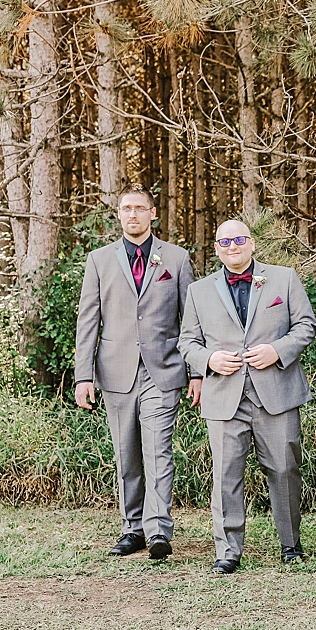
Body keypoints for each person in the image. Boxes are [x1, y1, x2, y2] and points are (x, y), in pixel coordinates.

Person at [178, 220, 316, 574]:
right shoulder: (199, 291)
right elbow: (187, 342)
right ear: (217, 249)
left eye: (239, 239)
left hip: (276, 393)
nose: (232, 246)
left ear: (252, 244)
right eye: (224, 241)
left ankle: (290, 544)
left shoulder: (283, 279)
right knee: (225, 475)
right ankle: (228, 551)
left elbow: (306, 326)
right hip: (225, 397)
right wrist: (209, 359)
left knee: (285, 469)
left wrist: (278, 349)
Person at [73, 187, 198, 561]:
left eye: (140, 208)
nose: (133, 215)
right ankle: (133, 528)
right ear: (118, 214)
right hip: (116, 373)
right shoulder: (99, 260)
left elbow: (190, 321)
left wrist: (195, 372)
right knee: (127, 455)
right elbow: (88, 321)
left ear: (152, 213)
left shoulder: (176, 259)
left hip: (164, 371)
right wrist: (83, 376)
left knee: (159, 453)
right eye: (126, 209)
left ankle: (159, 529)